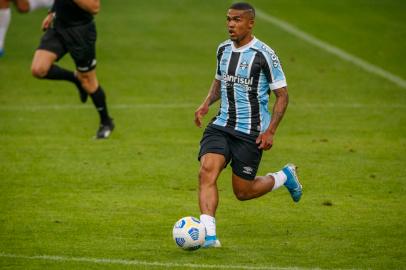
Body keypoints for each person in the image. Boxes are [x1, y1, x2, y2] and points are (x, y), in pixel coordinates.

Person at [194, 2, 303, 248]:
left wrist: (271, 130)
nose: (231, 24)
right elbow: (220, 82)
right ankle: (209, 235)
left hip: (250, 133)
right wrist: (205, 104)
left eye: (237, 20)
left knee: (243, 192)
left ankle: (283, 177)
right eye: (228, 19)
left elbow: (282, 95)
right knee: (207, 171)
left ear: (250, 23)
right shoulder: (222, 50)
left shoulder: (264, 54)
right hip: (221, 125)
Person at [30, 0, 114, 139]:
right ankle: (74, 78)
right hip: (58, 29)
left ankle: (106, 122)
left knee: (88, 81)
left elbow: (94, 7)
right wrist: (52, 13)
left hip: (81, 33)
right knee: (38, 70)